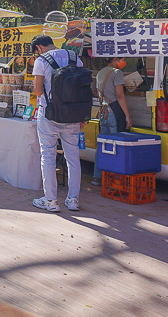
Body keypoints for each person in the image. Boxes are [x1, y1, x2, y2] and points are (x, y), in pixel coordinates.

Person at [31, 34, 83, 212]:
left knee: (48, 157)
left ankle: (51, 201)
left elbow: (38, 91)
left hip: (49, 115)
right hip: (73, 116)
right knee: (73, 159)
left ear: (38, 47)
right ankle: (73, 200)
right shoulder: (75, 58)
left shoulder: (41, 61)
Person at [92, 57, 133, 186]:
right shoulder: (117, 73)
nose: (124, 62)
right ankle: (117, 180)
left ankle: (97, 177)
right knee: (118, 147)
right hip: (113, 112)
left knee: (103, 147)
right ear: (115, 59)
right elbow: (120, 96)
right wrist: (127, 116)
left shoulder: (100, 72)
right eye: (123, 59)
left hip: (103, 112)